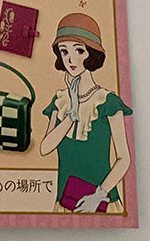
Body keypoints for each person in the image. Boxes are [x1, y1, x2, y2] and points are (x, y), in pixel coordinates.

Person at [39, 13, 132, 213]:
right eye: (64, 51)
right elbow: (45, 148)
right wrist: (72, 113)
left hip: (102, 203)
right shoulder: (60, 101)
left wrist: (98, 195)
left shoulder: (108, 102)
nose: (70, 59)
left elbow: (124, 159)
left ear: (91, 53)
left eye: (79, 50)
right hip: (64, 203)